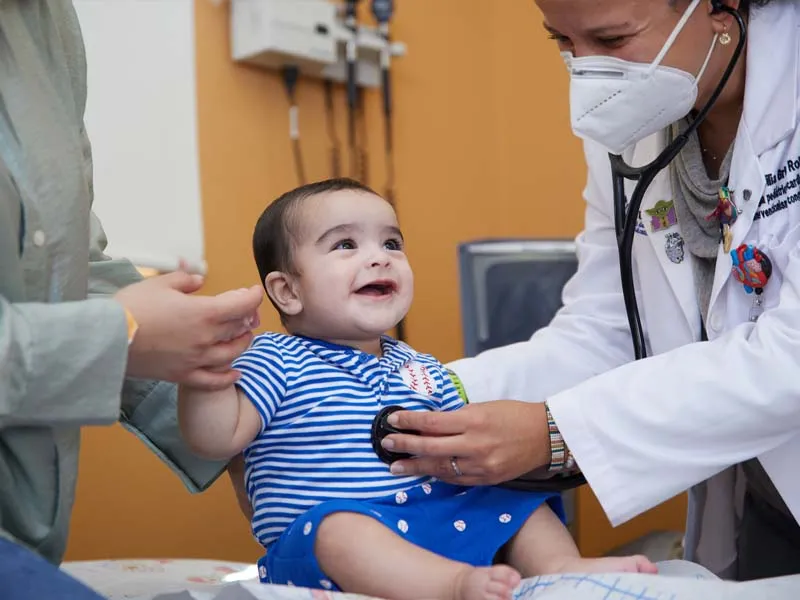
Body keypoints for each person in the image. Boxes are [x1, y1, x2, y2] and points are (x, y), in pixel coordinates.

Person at [375, 0, 800, 582]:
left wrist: (557, 432)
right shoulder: (633, 118)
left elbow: (792, 354)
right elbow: (609, 328)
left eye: (612, 38)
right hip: (763, 495)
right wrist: (423, 395)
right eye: (563, 42)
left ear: (722, 10)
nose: (590, 73)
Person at [179, 178, 657, 600]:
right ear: (287, 292)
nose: (378, 257)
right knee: (339, 529)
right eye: (345, 244)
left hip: (432, 522)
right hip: (329, 548)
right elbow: (216, 438)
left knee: (511, 496)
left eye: (391, 243)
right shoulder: (273, 358)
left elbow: (462, 446)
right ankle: (449, 588)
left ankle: (558, 572)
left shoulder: (418, 365)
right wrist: (202, 371)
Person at [0, 0, 264, 592]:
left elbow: (65, 265)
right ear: (282, 286)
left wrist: (246, 426)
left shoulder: (48, 23)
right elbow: (110, 320)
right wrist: (116, 333)